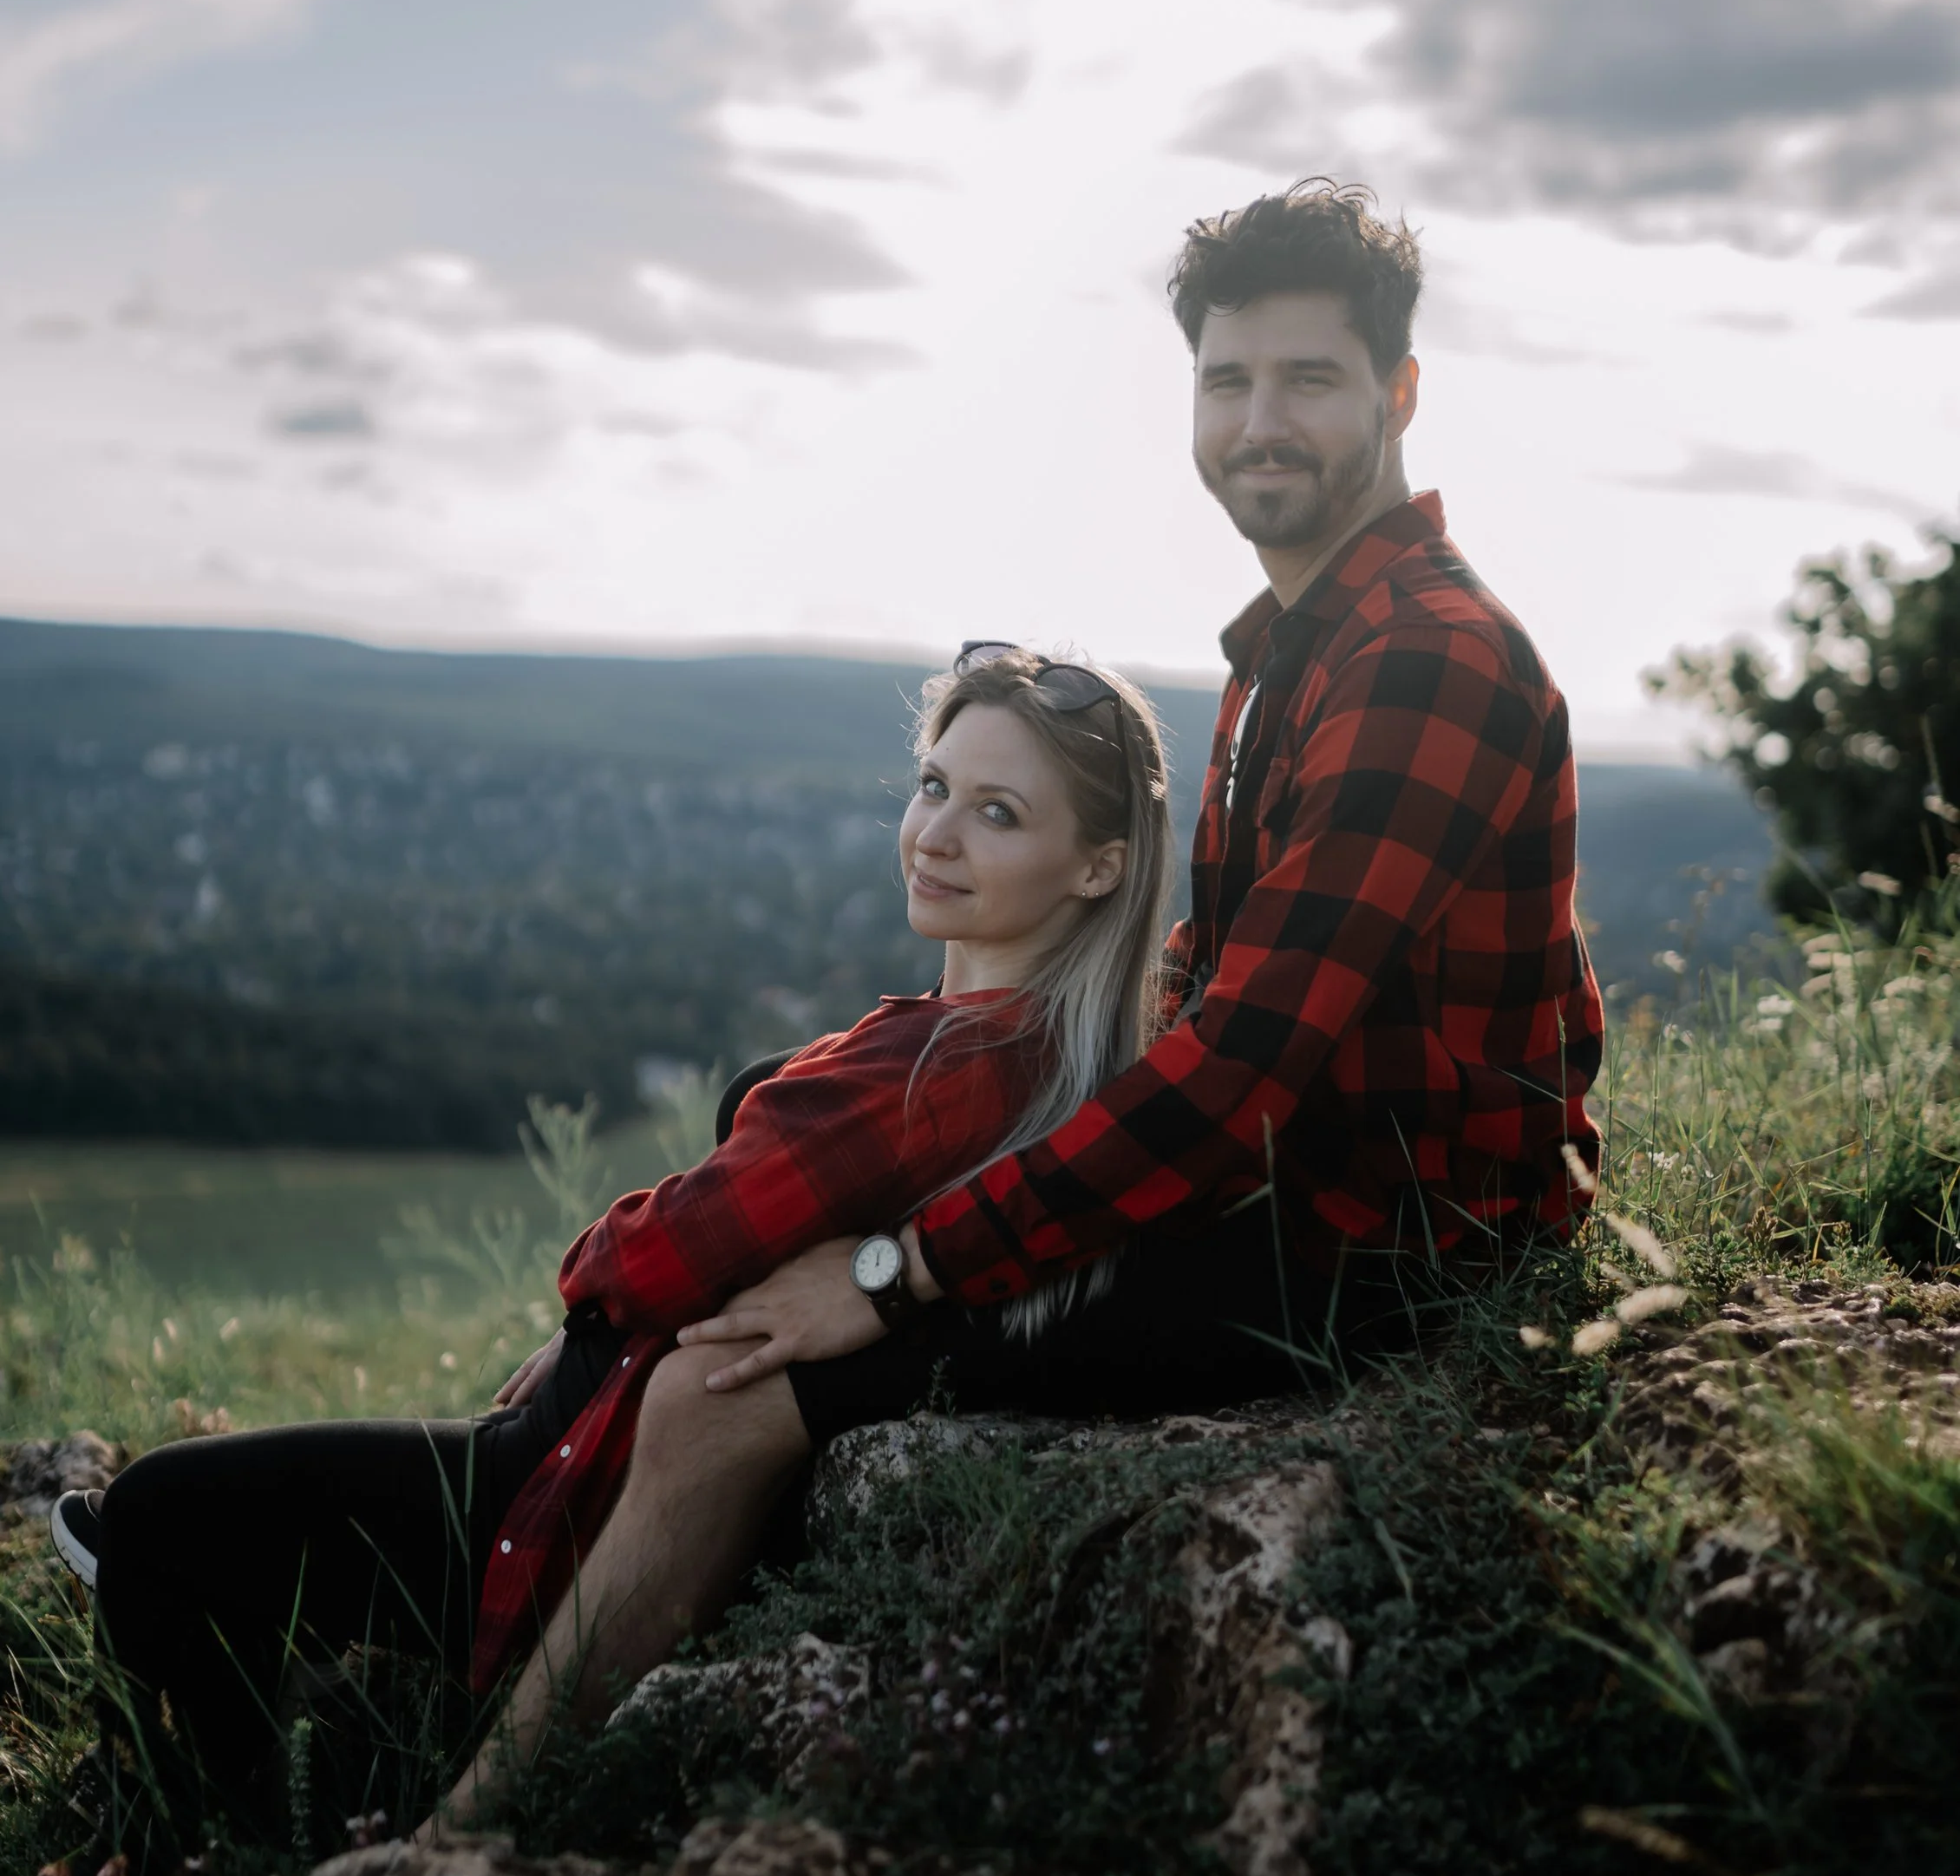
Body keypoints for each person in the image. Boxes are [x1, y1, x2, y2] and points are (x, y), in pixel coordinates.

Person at [511, 181, 1607, 1735]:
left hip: (1377, 1256)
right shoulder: (1296, 650)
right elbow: (1212, 979)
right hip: (1297, 1198)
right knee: (786, 1135)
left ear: (1399, 394)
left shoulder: (1422, 658)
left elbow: (1230, 1077)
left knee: (723, 1390)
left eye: (1308, 378)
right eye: (1227, 380)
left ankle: (496, 1803)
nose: (1259, 422)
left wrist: (900, 1272)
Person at [0, 643, 1173, 1876]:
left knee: (161, 1517)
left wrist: (600, 1271)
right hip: (578, 1424)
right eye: (934, 785)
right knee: (190, 1535)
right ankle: (225, 1803)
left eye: (997, 813)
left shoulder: (937, 1074)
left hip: (559, 1489)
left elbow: (656, 1259)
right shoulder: (1037, 1054)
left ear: (1099, 869)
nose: (937, 834)